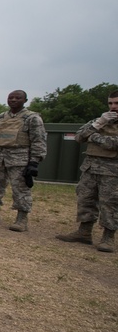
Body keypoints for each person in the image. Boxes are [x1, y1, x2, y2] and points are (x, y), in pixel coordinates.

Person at [0, 90, 47, 232]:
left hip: (20, 160)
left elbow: (39, 141)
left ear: (25, 100)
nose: (13, 100)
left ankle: (21, 219)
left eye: (17, 98)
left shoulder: (32, 118)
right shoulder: (0, 118)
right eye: (10, 97)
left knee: (20, 189)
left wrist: (34, 162)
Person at [56, 91, 118, 252]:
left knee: (110, 203)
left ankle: (108, 237)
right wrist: (98, 125)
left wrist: (94, 137)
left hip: (113, 171)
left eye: (117, 103)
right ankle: (84, 232)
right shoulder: (99, 121)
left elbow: (112, 144)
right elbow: (79, 137)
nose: (113, 107)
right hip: (91, 168)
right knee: (86, 198)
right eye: (110, 103)